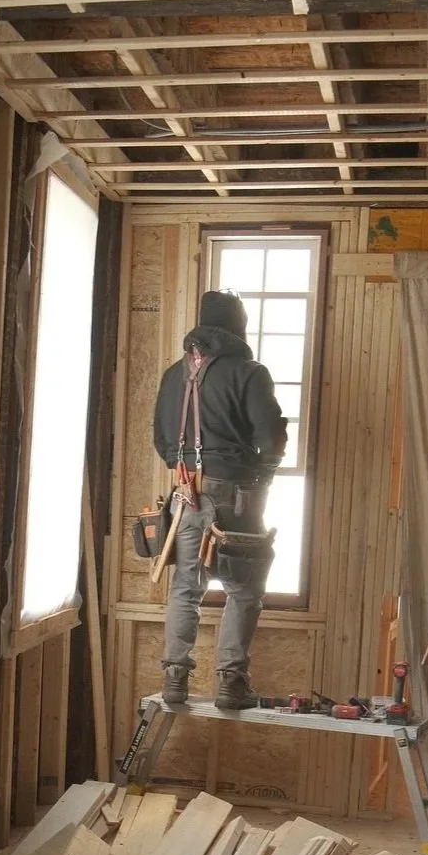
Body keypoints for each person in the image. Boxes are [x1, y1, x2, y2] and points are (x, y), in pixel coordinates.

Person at [153, 289, 287, 710]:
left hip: (183, 495)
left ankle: (175, 678)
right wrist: (263, 476)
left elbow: (161, 442)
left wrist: (187, 471)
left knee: (185, 588)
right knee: (244, 590)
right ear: (238, 328)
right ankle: (231, 682)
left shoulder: (174, 374)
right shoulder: (250, 372)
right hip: (235, 495)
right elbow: (271, 438)